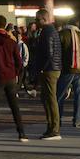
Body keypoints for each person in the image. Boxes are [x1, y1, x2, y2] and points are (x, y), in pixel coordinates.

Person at [29, 11, 62, 141]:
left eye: (37, 20)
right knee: (47, 98)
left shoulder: (46, 32)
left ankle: (54, 129)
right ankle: (51, 127)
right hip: (53, 68)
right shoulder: (51, 30)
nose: (36, 22)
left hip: (49, 69)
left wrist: (42, 68)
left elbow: (49, 52)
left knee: (50, 99)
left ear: (44, 19)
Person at [56, 19, 80, 128]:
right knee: (78, 95)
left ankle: (58, 120)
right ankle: (77, 120)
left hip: (66, 69)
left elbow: (57, 53)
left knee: (60, 95)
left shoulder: (61, 35)